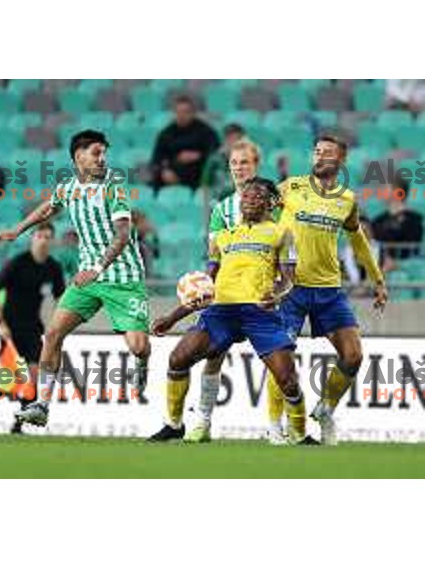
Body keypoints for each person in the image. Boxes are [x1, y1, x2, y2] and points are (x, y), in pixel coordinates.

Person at [0, 129, 150, 428]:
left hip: (123, 277)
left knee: (138, 346)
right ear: (79, 157)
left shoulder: (113, 188)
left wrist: (99, 267)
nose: (102, 159)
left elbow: (122, 235)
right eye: (96, 153)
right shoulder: (68, 188)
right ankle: (41, 405)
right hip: (88, 278)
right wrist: (17, 230)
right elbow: (47, 208)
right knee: (52, 335)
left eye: (104, 153)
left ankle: (143, 363)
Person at [149, 180, 312, 445]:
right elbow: (205, 284)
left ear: (271, 202)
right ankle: (174, 425)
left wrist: (277, 294)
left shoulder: (282, 233)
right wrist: (172, 317)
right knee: (178, 359)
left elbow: (289, 279)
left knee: (287, 380)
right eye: (246, 195)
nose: (249, 199)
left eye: (257, 195)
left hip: (260, 312)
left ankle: (300, 434)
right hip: (221, 311)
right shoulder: (223, 237)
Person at [148, 139, 274, 442]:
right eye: (233, 163)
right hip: (227, 297)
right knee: (209, 354)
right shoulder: (222, 209)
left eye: (245, 162)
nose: (238, 168)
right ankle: (196, 421)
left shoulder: (274, 204)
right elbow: (214, 260)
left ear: (256, 165)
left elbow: (283, 249)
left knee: (280, 366)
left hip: (263, 299)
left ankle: (278, 428)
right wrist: (199, 293)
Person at [266, 135, 388, 445]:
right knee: (280, 358)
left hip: (329, 289)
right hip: (291, 288)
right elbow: (259, 216)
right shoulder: (290, 187)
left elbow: (358, 239)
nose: (319, 157)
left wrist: (377, 278)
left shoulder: (347, 199)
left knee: (353, 356)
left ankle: (325, 409)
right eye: (317, 152)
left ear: (341, 161)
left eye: (327, 153)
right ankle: (274, 425)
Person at [0, 222, 65, 432]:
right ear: (32, 238)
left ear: (51, 241)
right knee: (10, 379)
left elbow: (60, 298)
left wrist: (60, 322)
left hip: (33, 328)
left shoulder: (53, 267)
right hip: (10, 327)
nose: (43, 241)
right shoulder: (18, 263)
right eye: (39, 236)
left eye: (47, 237)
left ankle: (18, 425)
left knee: (34, 377)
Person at [151, 95, 219, 190]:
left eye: (186, 112)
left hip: (198, 175)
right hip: (171, 176)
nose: (181, 116)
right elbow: (156, 159)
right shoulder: (166, 134)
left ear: (193, 113)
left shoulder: (206, 131)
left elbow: (215, 153)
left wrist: (198, 156)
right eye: (178, 112)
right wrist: (164, 171)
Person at [371, 177, 423, 265]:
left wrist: (396, 263)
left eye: (386, 188)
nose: (381, 191)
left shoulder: (415, 220)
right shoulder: (378, 220)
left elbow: (413, 248)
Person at [200, 123, 246, 197]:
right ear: (224, 139)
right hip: (217, 202)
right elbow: (205, 184)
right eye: (230, 139)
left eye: (237, 139)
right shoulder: (214, 159)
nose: (234, 143)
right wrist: (206, 207)